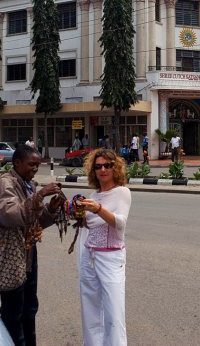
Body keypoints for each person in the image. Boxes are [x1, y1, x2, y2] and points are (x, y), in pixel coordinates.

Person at [0, 145, 63, 346]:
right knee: (12, 312)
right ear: (17, 163)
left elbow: (36, 220)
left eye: (37, 165)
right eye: (31, 164)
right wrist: (41, 194)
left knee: (29, 308)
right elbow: (10, 216)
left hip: (27, 253)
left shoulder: (28, 185)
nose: (35, 169)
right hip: (10, 255)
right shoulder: (6, 184)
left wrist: (51, 207)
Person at [78, 148, 131, 346]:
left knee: (113, 311)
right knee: (90, 308)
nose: (103, 170)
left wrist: (98, 209)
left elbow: (120, 223)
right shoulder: (94, 194)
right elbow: (90, 225)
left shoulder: (122, 193)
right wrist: (77, 215)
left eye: (107, 165)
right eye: (98, 166)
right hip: (89, 256)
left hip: (111, 258)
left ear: (115, 167)